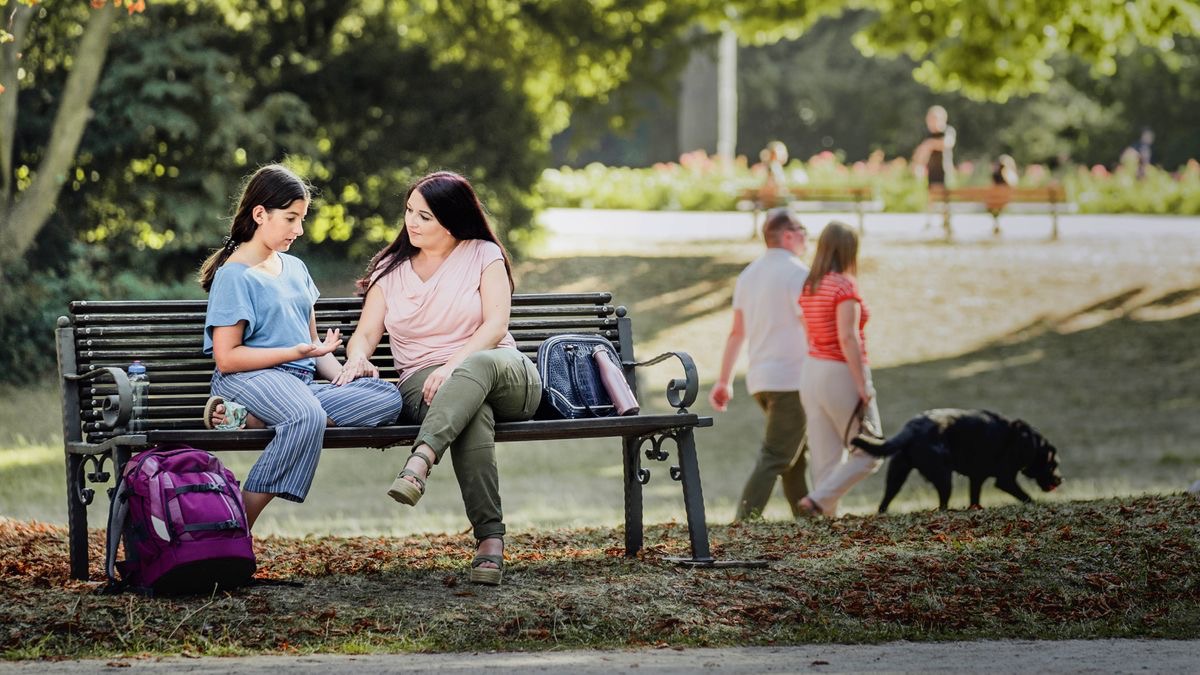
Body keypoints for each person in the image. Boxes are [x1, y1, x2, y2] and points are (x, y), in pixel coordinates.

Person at [335, 170, 541, 586]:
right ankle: (490, 541)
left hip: (502, 371)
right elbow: (366, 334)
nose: (412, 222)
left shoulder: (483, 254)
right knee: (471, 412)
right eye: (410, 211)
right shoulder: (389, 270)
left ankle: (420, 460)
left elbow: (495, 326)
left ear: (451, 218)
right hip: (425, 383)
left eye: (424, 216)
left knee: (473, 371)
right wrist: (357, 358)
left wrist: (453, 365)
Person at [199, 164, 406, 530]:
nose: (299, 229)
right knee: (306, 416)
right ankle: (235, 525)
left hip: (300, 384)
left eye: (302, 219)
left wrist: (343, 372)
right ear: (260, 214)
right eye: (291, 218)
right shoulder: (234, 276)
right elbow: (227, 358)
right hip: (249, 377)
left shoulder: (295, 268)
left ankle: (258, 417)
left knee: (387, 397)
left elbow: (311, 345)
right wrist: (293, 354)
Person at [709, 208, 811, 521]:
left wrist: (723, 381)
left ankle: (807, 517)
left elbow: (737, 332)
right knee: (777, 455)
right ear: (789, 235)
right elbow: (811, 325)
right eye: (804, 232)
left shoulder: (748, 275)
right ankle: (743, 521)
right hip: (791, 379)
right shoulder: (798, 273)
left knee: (792, 454)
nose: (807, 239)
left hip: (761, 381)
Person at [795, 221, 882, 517]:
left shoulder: (810, 286)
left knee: (825, 456)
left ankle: (826, 521)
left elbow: (807, 330)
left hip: (811, 370)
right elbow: (848, 337)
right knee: (870, 452)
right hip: (839, 372)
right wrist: (862, 385)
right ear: (848, 251)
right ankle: (818, 500)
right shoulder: (844, 286)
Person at [912, 105, 956, 188]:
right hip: (930, 174)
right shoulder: (925, 134)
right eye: (930, 119)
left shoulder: (948, 131)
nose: (932, 121)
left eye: (935, 118)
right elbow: (919, 154)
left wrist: (929, 144)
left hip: (945, 173)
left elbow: (947, 143)